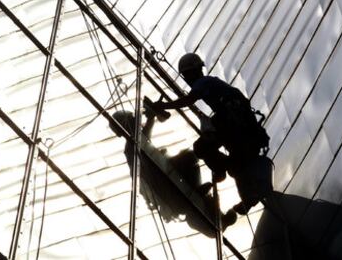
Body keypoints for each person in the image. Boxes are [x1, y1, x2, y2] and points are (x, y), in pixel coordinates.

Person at [109, 107, 237, 234]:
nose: (137, 122)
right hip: (167, 183)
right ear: (125, 126)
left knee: (189, 158)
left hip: (168, 183)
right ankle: (201, 187)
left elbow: (146, 134)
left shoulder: (134, 143)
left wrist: (151, 117)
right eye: (132, 120)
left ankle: (201, 192)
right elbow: (145, 136)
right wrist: (151, 117)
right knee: (190, 157)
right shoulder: (133, 144)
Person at [151, 53, 265, 182]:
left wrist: (164, 105)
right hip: (240, 128)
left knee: (201, 147)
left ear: (192, 72)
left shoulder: (203, 82)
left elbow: (188, 100)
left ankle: (221, 168)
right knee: (236, 167)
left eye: (186, 75)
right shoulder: (213, 83)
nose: (187, 79)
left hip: (232, 124)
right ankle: (228, 167)